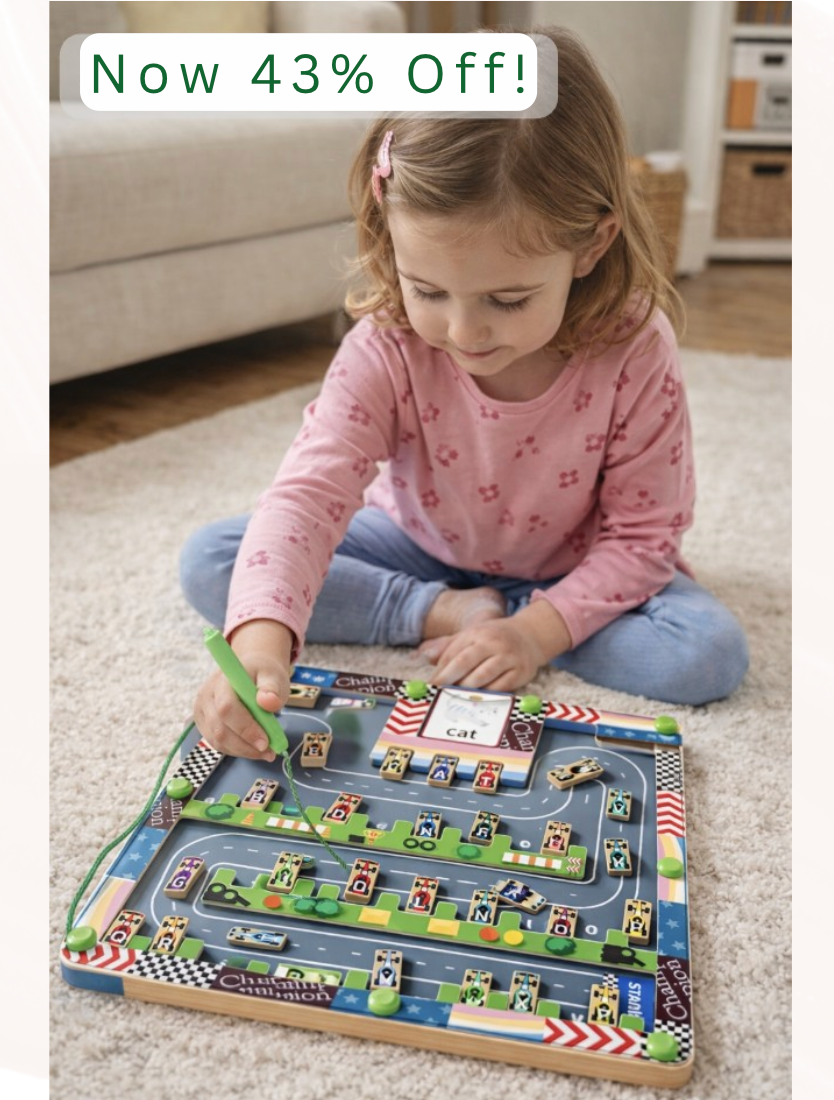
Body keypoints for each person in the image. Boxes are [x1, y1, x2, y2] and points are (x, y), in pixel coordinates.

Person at [181, 27, 749, 761]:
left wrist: (533, 634)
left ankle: (508, 617)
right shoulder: (388, 343)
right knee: (216, 564)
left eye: (507, 300)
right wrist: (259, 642)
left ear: (591, 244)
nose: (463, 331)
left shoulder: (634, 347)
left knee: (706, 654)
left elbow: (644, 539)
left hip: (570, 565)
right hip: (416, 547)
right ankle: (440, 612)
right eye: (428, 290)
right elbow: (308, 494)